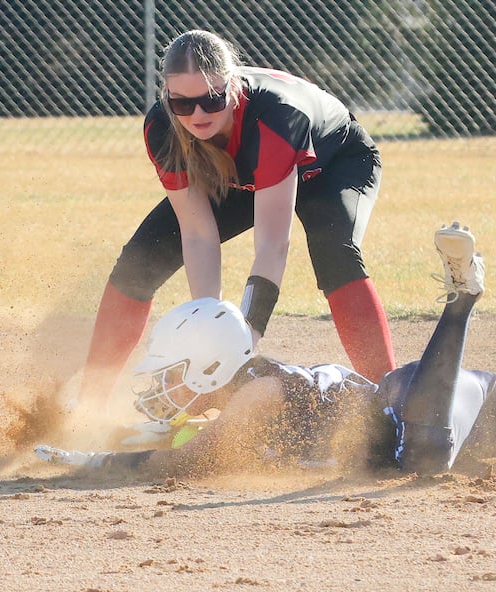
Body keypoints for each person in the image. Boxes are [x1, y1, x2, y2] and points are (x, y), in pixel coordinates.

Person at [37, 156, 496, 478]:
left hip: (414, 410)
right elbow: (172, 438)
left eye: (180, 373)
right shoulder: (238, 390)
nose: (169, 385)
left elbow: (173, 464)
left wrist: (82, 459)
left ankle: (462, 298)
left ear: (214, 369)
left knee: (424, 459)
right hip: (452, 405)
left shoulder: (253, 399)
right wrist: (95, 439)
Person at [78, 29, 396, 414]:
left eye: (212, 100)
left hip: (332, 166)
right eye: (182, 103)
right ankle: (88, 408)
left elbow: (272, 245)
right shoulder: (162, 128)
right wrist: (207, 345)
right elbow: (197, 236)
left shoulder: (276, 117)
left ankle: (389, 405)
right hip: (241, 172)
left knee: (335, 251)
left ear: (231, 88)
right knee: (140, 261)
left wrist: (242, 340)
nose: (197, 114)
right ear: (167, 97)